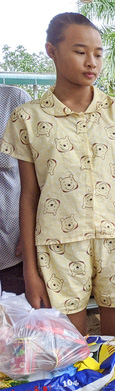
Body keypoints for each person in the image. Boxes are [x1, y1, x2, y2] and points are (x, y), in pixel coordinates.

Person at [0, 12, 115, 337]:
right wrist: (30, 269)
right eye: (80, 51)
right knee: (71, 354)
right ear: (51, 51)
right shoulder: (27, 118)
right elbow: (28, 197)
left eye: (98, 53)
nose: (91, 62)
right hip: (57, 250)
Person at [0, 85, 31, 295]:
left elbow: (42, 171)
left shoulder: (14, 99)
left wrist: (29, 234)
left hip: (11, 248)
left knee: (16, 323)